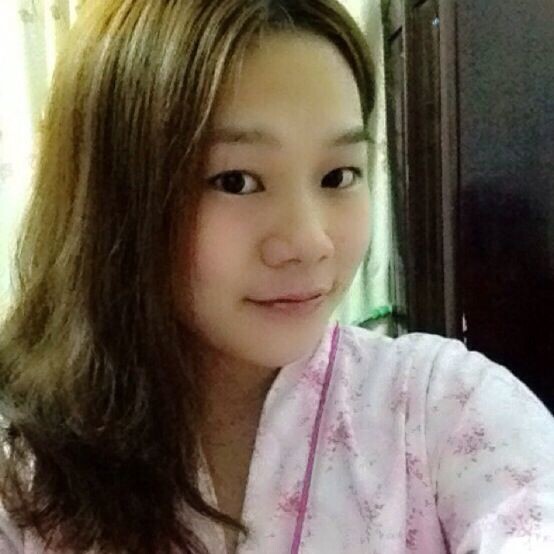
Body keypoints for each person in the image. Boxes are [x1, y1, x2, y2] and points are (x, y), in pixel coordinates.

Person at [0, 0, 552, 552]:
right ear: (111, 200)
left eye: (338, 175)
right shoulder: (21, 463)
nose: (311, 243)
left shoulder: (439, 407)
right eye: (236, 181)